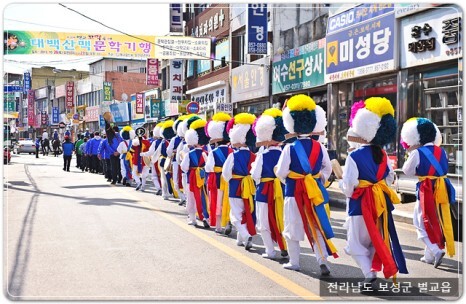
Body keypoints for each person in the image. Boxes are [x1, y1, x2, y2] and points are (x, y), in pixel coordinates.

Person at [339, 97, 407, 283]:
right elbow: (390, 178)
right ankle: (372, 273)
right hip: (380, 204)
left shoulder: (354, 156)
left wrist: (343, 187)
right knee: (373, 241)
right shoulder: (383, 155)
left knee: (354, 244)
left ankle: (369, 274)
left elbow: (349, 184)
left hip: (359, 204)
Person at [275, 94, 337, 274]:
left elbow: (280, 171)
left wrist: (290, 179)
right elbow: (327, 168)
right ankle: (322, 260)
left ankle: (294, 262)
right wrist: (318, 180)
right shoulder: (320, 147)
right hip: (314, 191)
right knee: (316, 226)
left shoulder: (289, 148)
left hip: (293, 192)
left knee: (292, 227)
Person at [400, 117, 456, 268]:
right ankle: (429, 256)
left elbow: (407, 170)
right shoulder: (442, 151)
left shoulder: (418, 152)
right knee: (436, 219)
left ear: (418, 136)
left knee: (420, 221)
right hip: (442, 188)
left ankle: (435, 250)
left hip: (426, 189)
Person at [250, 108, 289, 260]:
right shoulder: (285, 152)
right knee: (282, 218)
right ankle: (284, 246)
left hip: (265, 190)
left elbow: (255, 175)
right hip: (282, 189)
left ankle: (270, 251)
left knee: (263, 221)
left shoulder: (263, 155)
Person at [222, 113, 257, 251]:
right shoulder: (254, 155)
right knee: (246, 211)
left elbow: (226, 173)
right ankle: (240, 239)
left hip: (236, 186)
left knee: (235, 214)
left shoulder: (233, 155)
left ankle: (245, 235)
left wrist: (231, 180)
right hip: (250, 187)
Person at [205, 112, 233, 234]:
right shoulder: (232, 151)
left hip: (216, 178)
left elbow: (208, 168)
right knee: (228, 201)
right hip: (229, 179)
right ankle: (228, 224)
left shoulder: (213, 152)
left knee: (216, 201)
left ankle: (218, 226)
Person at [181, 117, 211, 227]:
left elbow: (184, 167)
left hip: (192, 177)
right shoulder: (207, 151)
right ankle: (206, 217)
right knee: (204, 197)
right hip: (204, 178)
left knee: (191, 197)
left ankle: (193, 218)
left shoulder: (189, 153)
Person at [167, 115, 189, 204]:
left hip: (178, 162)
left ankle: (184, 198)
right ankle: (184, 197)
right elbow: (169, 151)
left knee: (178, 180)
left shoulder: (175, 139)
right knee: (181, 180)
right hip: (181, 162)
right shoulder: (188, 139)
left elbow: (168, 151)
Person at [141, 123, 164, 194]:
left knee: (154, 176)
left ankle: (159, 188)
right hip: (164, 160)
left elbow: (150, 153)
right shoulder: (166, 141)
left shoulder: (155, 142)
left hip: (156, 160)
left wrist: (141, 154)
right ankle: (164, 190)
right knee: (163, 176)